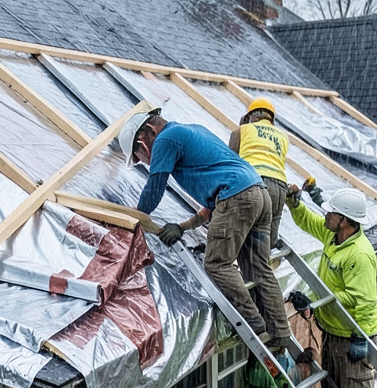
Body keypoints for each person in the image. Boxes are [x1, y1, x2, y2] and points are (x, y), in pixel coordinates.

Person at [118, 104, 291, 350]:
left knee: (217, 264)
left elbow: (154, 190)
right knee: (258, 267)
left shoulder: (166, 138)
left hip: (237, 197)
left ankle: (253, 323)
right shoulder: (192, 133)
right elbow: (211, 209)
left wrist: (133, 220)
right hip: (259, 194)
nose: (143, 162)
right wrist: (182, 226)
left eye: (138, 156)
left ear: (146, 135)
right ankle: (280, 332)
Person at [286, 186, 377, 388]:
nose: (326, 214)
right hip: (334, 335)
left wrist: (360, 338)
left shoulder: (359, 254)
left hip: (354, 339)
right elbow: (309, 221)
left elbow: (362, 300)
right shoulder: (333, 237)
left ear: (345, 220)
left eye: (332, 212)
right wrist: (294, 204)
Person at [230, 97, 289, 249]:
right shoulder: (283, 136)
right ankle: (264, 266)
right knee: (267, 241)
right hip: (280, 186)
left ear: (251, 116)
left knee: (241, 230)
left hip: (254, 180)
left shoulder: (242, 130)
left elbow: (231, 162)